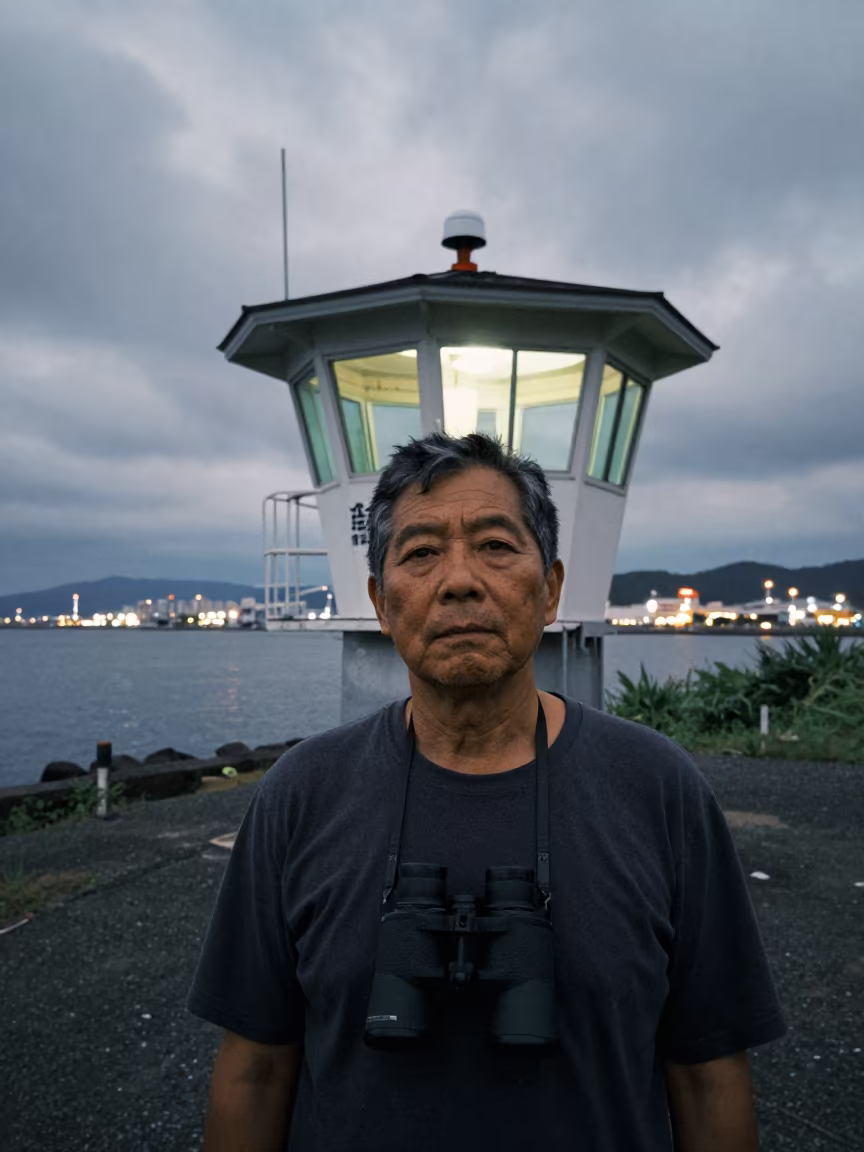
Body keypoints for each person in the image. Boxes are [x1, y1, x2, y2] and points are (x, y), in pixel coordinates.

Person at [187, 431, 787, 1151]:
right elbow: (253, 1072)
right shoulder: (301, 796)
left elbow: (708, 1074)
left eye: (497, 546)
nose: (460, 580)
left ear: (552, 589)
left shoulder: (659, 790)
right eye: (420, 552)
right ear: (381, 602)